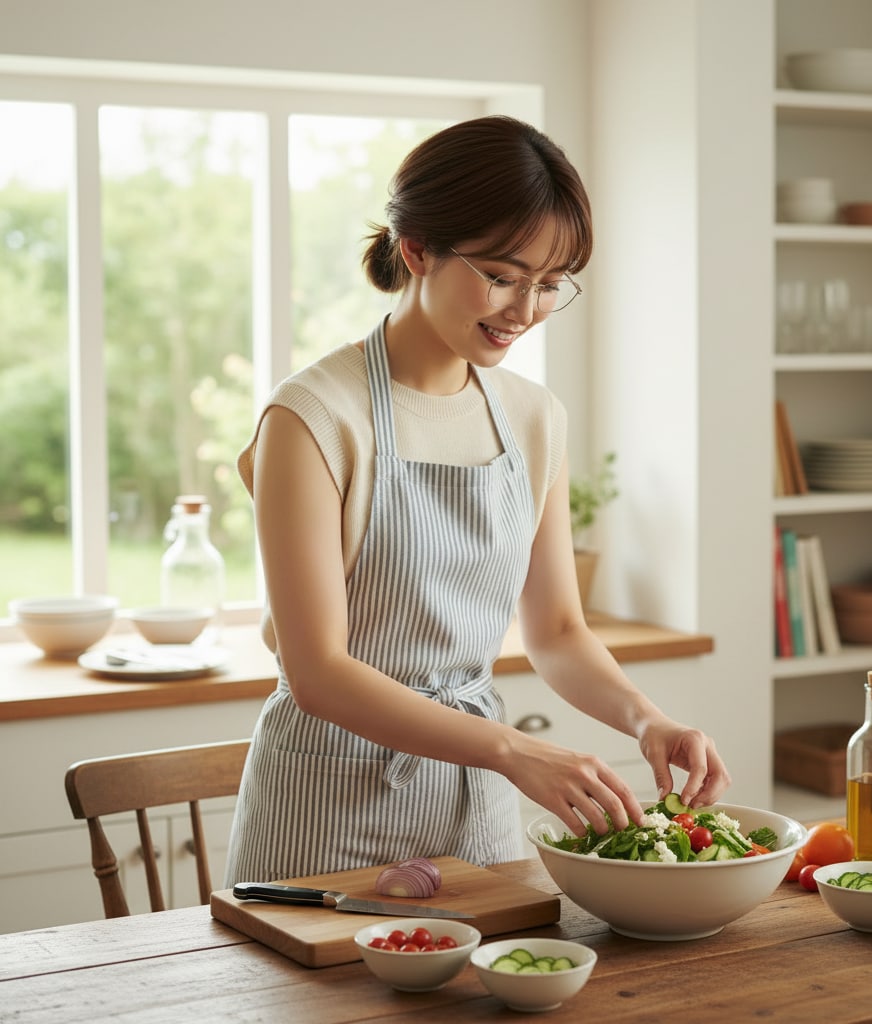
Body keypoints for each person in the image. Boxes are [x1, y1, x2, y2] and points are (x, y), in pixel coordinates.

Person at [223, 115, 730, 883]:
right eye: (501, 275)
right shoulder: (313, 418)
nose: (525, 310)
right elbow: (319, 670)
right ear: (417, 248)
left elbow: (557, 630)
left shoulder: (533, 417)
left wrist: (647, 719)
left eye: (551, 284)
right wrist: (515, 750)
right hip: (325, 813)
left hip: (476, 809)